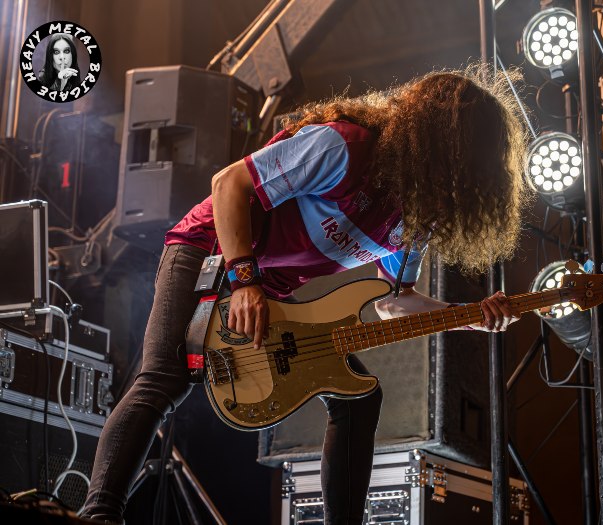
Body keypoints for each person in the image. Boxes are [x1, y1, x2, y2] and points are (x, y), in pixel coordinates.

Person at [81, 65, 531, 525]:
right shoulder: (344, 147)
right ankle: (99, 515)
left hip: (270, 291)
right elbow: (228, 185)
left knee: (359, 400)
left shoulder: (414, 220)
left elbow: (395, 302)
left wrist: (470, 315)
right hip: (209, 250)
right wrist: (244, 281)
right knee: (165, 377)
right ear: (442, 143)